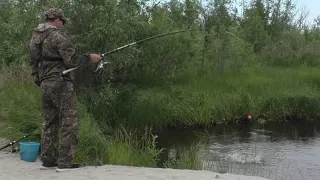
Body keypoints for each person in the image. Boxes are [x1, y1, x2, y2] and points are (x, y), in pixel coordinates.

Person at [28, 8, 102, 171]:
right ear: (56, 19)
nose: (63, 25)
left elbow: (33, 64)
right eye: (63, 21)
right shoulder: (57, 36)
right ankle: (66, 162)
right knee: (69, 122)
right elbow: (71, 61)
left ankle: (48, 160)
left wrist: (40, 81)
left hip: (45, 84)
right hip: (61, 83)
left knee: (49, 122)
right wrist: (91, 58)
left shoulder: (34, 39)